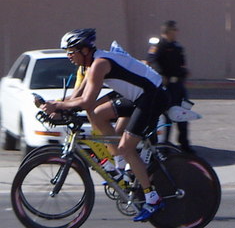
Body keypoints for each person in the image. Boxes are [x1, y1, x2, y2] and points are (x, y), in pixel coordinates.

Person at [41, 28, 169, 222]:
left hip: (153, 96)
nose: (68, 56)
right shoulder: (90, 66)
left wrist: (58, 106)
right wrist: (54, 106)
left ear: (84, 50)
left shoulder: (99, 64)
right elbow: (77, 97)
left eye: (70, 51)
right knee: (99, 114)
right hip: (138, 96)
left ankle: (153, 199)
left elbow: (86, 101)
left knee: (127, 147)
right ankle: (120, 166)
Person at [147, 20, 192, 153]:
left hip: (178, 85)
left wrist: (184, 73)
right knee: (168, 115)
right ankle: (164, 146)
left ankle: (184, 144)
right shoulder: (159, 45)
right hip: (168, 87)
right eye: (174, 30)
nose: (176, 32)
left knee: (184, 114)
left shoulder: (177, 46)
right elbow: (151, 61)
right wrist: (161, 76)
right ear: (168, 31)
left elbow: (181, 64)